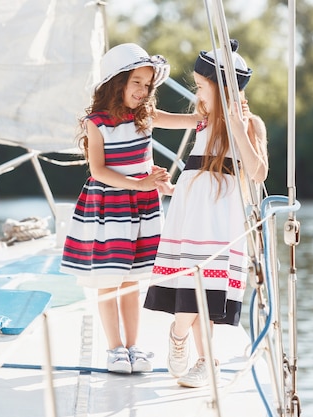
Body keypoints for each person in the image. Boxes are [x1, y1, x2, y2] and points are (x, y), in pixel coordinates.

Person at [59, 43, 198, 374]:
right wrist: (140, 184)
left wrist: (210, 116)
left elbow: (187, 122)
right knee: (110, 280)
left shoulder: (145, 117)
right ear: (117, 82)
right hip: (109, 207)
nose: (143, 90)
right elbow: (99, 171)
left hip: (142, 208)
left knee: (132, 283)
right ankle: (114, 349)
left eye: (147, 85)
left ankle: (134, 346)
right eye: (136, 82)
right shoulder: (97, 122)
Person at [143, 40, 269, 388]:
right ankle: (181, 336)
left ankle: (204, 358)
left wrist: (237, 125)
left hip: (221, 217)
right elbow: (148, 117)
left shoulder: (250, 124)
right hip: (191, 211)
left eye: (201, 87)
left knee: (208, 291)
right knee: (189, 284)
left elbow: (258, 173)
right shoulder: (199, 121)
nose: (196, 94)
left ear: (223, 89)